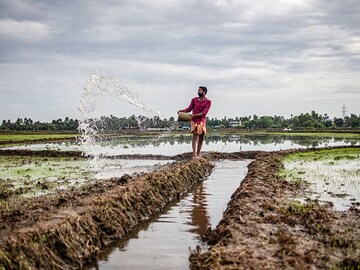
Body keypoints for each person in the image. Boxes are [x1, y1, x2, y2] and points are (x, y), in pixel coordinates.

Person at [178, 86, 212, 158]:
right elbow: (189, 109)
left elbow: (204, 113)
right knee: (195, 137)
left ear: (204, 92)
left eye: (200, 90)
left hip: (202, 121)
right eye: (198, 90)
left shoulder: (208, 102)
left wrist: (194, 115)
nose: (198, 91)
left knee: (201, 138)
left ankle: (198, 154)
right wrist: (182, 111)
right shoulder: (194, 100)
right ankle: (194, 154)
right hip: (194, 121)